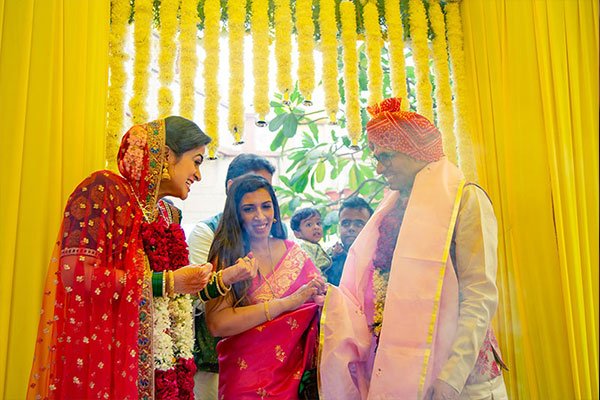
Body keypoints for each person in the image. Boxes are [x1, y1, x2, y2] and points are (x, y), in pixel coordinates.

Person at [319, 98, 508, 400]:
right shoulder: (392, 208)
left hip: (464, 382)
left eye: (387, 157)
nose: (380, 169)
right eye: (377, 157)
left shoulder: (467, 200)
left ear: (414, 151)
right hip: (407, 377)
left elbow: (479, 296)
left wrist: (451, 378)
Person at [27, 117, 216, 400]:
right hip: (109, 359)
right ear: (166, 156)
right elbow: (76, 273)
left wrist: (219, 280)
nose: (199, 175)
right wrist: (165, 282)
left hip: (161, 363)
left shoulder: (168, 215)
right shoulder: (104, 191)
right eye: (196, 161)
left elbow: (175, 295)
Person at [205, 175, 326, 399]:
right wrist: (287, 303)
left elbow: (320, 309)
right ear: (236, 215)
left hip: (295, 380)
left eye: (266, 207)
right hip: (245, 382)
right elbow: (217, 323)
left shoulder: (294, 253)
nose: (260, 216)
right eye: (249, 209)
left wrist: (323, 297)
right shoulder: (227, 258)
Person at [187, 154, 276, 400]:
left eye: (267, 189)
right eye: (253, 185)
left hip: (267, 363)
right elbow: (197, 296)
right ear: (231, 188)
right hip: (215, 363)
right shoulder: (208, 232)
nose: (260, 196)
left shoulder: (279, 236)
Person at [327, 196, 373, 286]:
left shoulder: (379, 260)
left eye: (359, 224)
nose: (351, 228)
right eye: (346, 223)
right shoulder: (329, 260)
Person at [291, 207, 331, 278]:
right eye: (309, 224)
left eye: (318, 223)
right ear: (297, 233)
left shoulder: (313, 245)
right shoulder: (304, 246)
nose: (316, 227)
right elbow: (312, 270)